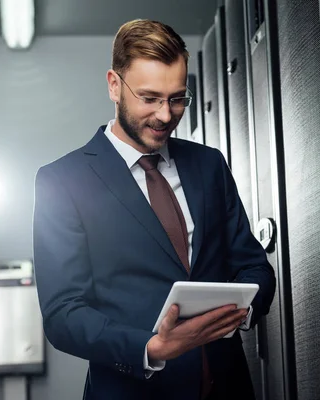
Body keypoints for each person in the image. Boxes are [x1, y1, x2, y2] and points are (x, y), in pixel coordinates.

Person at [32, 19, 276, 400]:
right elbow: (63, 314)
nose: (166, 115)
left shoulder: (209, 164)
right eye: (150, 98)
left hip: (228, 386)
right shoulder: (62, 180)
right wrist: (149, 348)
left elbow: (254, 265)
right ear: (114, 85)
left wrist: (239, 312)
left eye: (178, 98)